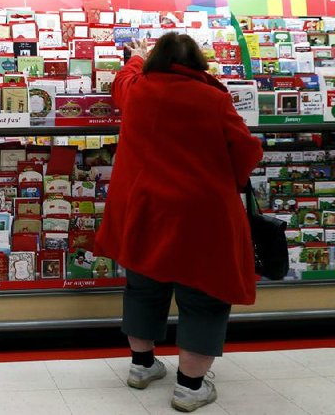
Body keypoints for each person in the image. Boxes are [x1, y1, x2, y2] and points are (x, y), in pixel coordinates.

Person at [94, 33, 263, 412]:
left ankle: (142, 367)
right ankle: (189, 387)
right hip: (201, 214)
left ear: (155, 62)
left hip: (144, 209)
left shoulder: (138, 89)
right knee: (204, 295)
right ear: (199, 63)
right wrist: (226, 178)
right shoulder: (214, 99)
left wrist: (134, 59)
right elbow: (247, 149)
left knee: (142, 286)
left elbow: (122, 82)